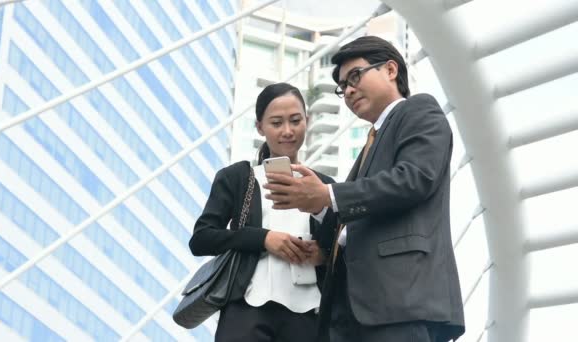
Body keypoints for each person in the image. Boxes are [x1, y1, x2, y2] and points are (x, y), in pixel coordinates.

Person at [263, 36, 465, 341]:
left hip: (400, 300)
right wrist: (318, 207)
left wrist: (329, 195)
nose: (349, 91)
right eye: (343, 87)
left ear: (391, 70)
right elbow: (360, 212)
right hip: (348, 309)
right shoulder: (367, 149)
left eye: (355, 76)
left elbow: (414, 178)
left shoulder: (420, 111)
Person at [189, 82, 337, 342]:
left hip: (309, 314)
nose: (287, 131)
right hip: (246, 309)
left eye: (295, 120)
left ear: (307, 120)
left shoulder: (326, 187)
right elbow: (201, 239)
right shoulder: (238, 177)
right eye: (276, 123)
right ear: (260, 127)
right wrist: (264, 239)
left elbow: (347, 250)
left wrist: (323, 254)